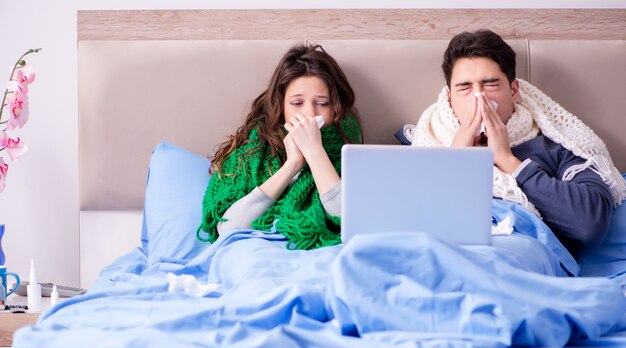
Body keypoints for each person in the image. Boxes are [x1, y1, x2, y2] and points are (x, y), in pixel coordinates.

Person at [400, 29, 625, 255]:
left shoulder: (560, 145)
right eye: (464, 87)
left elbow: (589, 224)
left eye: (490, 84)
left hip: (516, 250)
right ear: (449, 98)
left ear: (514, 90)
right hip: (439, 250)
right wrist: (457, 158)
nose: (479, 97)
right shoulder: (425, 143)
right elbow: (406, 220)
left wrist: (507, 160)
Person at [196, 43, 361, 250]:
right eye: (297, 103)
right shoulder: (253, 150)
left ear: (336, 108)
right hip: (255, 253)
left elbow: (350, 222)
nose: (310, 113)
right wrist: (293, 164)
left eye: (322, 103)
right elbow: (229, 228)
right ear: (281, 105)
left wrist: (314, 152)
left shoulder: (350, 154)